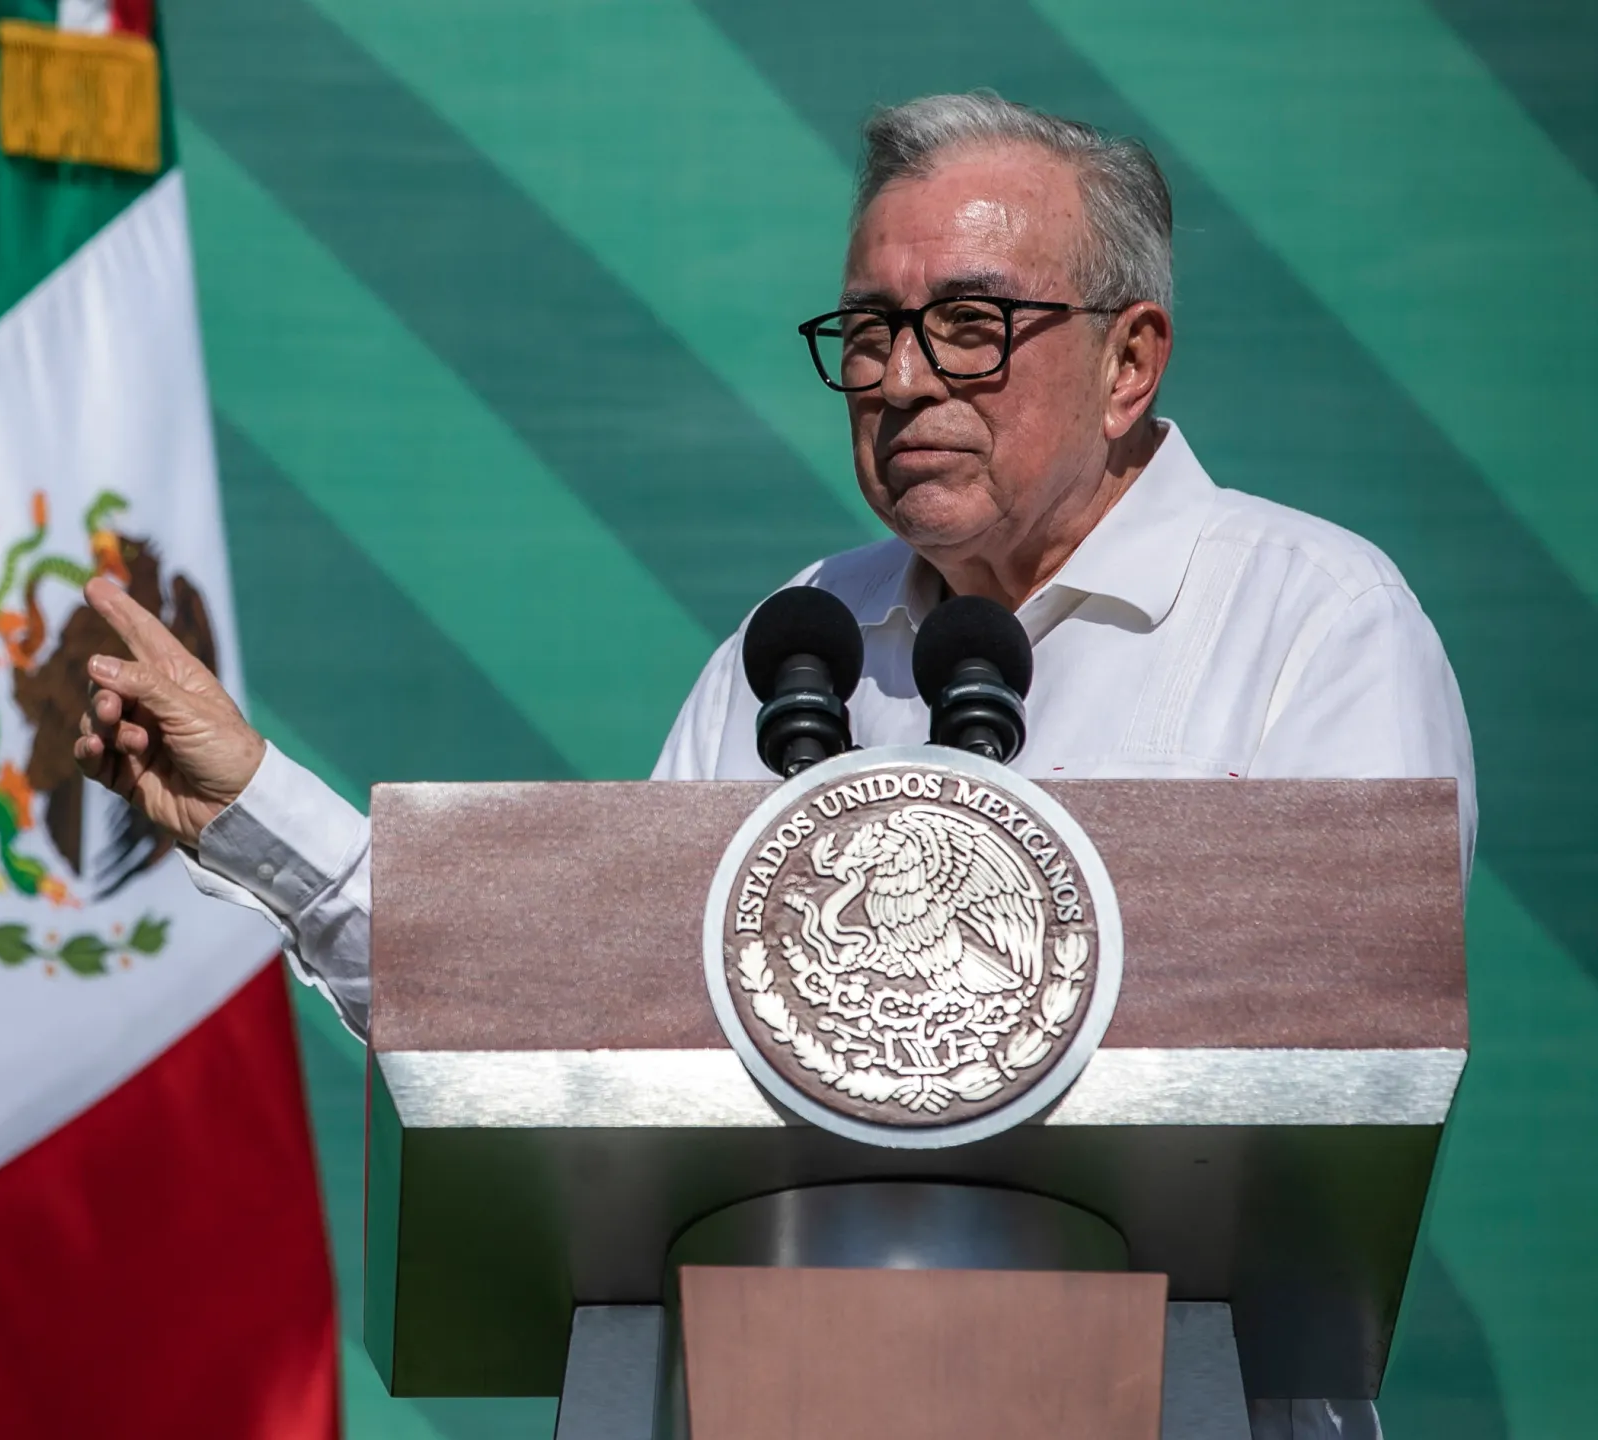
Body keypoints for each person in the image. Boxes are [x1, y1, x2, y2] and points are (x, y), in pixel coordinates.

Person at [76, 96, 1472, 1436]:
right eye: (869, 332)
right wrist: (256, 807)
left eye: (971, 325)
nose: (904, 380)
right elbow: (576, 1024)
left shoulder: (1312, 623)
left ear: (1129, 362)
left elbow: (1340, 1074)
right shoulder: (802, 636)